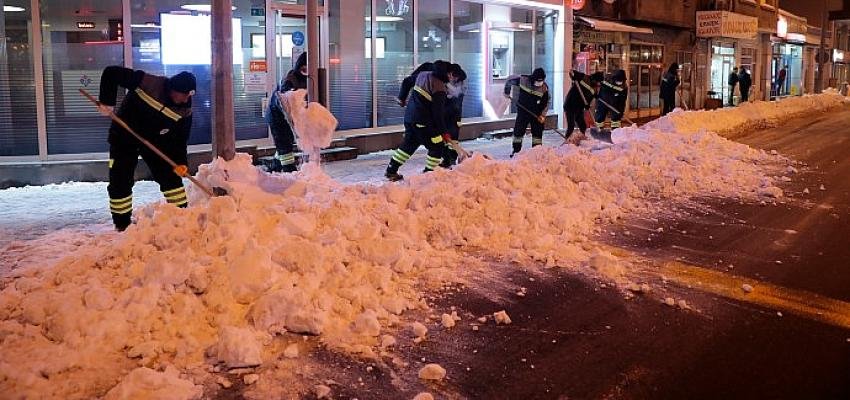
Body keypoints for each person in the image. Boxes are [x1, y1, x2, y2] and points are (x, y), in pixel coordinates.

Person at [97, 66, 196, 231]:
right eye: (184, 95)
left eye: (189, 95)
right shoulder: (148, 83)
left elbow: (180, 140)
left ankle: (181, 214)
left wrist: (181, 163)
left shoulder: (184, 110)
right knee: (121, 179)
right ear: (173, 89)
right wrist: (107, 102)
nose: (186, 99)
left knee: (170, 176)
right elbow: (111, 73)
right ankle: (122, 224)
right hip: (124, 136)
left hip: (154, 141)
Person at [385, 60, 455, 181]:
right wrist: (444, 132)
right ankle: (429, 174)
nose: (451, 77)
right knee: (437, 145)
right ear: (445, 73)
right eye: (450, 74)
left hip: (410, 118)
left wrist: (402, 98)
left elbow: (407, 81)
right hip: (424, 122)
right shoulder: (439, 88)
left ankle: (391, 170)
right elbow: (438, 114)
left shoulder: (422, 75)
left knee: (409, 144)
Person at [266, 52, 308, 173]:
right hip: (277, 116)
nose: (305, 71)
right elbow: (285, 100)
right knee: (284, 144)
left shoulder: (308, 80)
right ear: (298, 66)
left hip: (287, 117)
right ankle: (290, 171)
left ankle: (275, 166)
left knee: (287, 141)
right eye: (303, 68)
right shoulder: (290, 80)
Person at [504, 68, 550, 156]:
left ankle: (536, 152)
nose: (539, 83)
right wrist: (507, 92)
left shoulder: (544, 88)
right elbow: (509, 80)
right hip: (523, 111)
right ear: (533, 78)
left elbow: (546, 103)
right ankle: (516, 151)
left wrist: (542, 115)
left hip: (536, 114)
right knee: (518, 132)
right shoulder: (523, 80)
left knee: (537, 133)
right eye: (537, 81)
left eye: (541, 81)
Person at [440, 64, 467, 168]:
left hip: (454, 115)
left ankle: (452, 158)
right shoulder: (450, 81)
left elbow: (456, 93)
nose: (453, 78)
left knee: (453, 138)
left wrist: (446, 84)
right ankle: (446, 159)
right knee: (444, 138)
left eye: (454, 77)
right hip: (446, 114)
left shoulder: (461, 83)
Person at [563, 70, 603, 142]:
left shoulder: (595, 88)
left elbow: (589, 99)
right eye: (597, 81)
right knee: (571, 126)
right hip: (570, 105)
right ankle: (567, 141)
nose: (598, 83)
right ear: (594, 78)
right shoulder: (584, 78)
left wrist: (587, 105)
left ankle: (581, 140)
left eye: (599, 82)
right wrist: (573, 77)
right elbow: (572, 72)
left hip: (579, 107)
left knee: (583, 126)